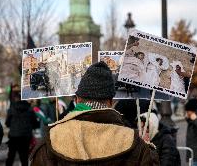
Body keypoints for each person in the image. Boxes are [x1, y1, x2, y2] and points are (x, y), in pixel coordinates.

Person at [30, 61, 160, 166]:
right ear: (110, 101)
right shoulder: (136, 143)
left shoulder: (50, 140)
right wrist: (147, 149)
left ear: (78, 99)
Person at [5, 100, 39, 166]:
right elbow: (35, 124)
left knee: (11, 156)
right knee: (24, 158)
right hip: (25, 138)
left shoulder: (11, 109)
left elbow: (7, 123)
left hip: (13, 137)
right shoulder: (30, 110)